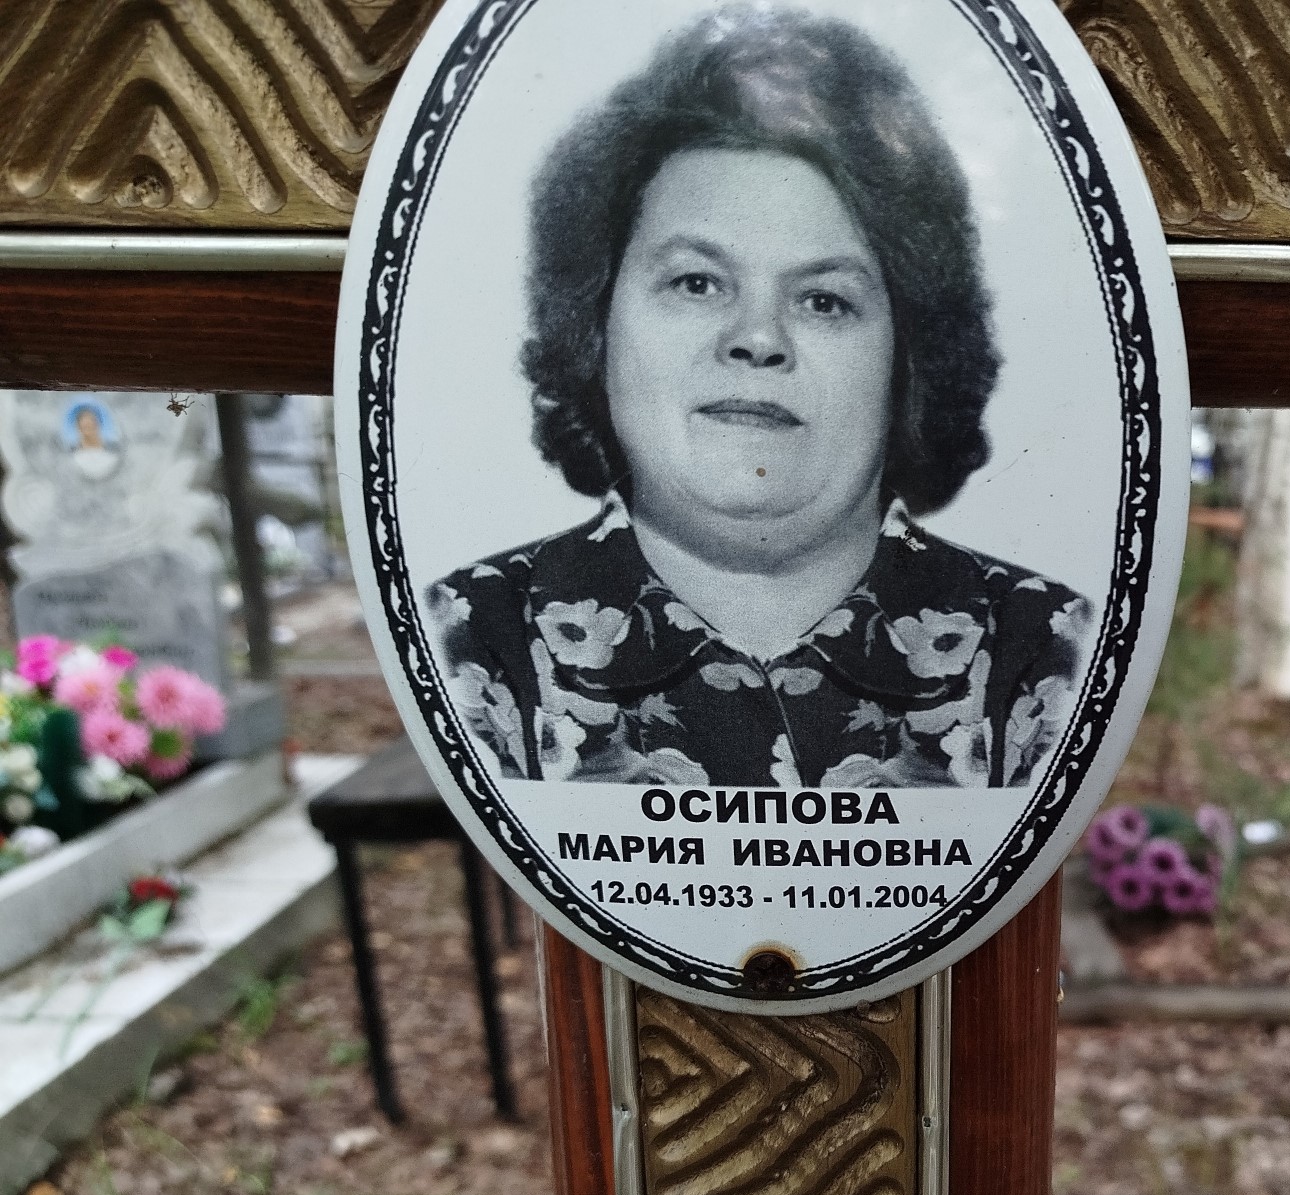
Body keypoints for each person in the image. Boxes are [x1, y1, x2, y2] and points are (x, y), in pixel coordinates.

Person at [425, 7, 1090, 788]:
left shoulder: (1048, 649)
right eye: (696, 282)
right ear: (594, 324)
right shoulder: (469, 639)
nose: (758, 338)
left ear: (911, 356)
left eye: (824, 300)